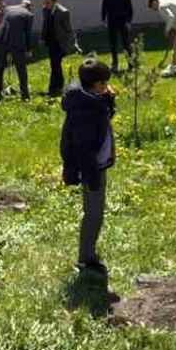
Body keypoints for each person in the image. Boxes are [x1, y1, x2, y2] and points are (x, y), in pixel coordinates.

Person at [60, 58, 117, 275]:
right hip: (92, 168)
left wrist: (109, 98)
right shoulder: (85, 111)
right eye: (104, 83)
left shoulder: (93, 99)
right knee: (94, 214)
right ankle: (86, 259)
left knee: (93, 212)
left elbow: (107, 113)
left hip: (97, 165)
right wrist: (91, 176)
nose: (107, 86)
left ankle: (88, 252)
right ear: (95, 84)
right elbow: (83, 149)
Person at [0, 0, 34, 102]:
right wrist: (28, 49)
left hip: (1, 39)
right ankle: (25, 95)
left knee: (0, 67)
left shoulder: (8, 9)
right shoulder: (28, 14)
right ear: (29, 7)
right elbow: (28, 34)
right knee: (21, 69)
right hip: (16, 42)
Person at [42, 0, 78, 97]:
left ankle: (54, 88)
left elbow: (68, 29)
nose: (46, 4)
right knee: (54, 65)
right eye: (45, 2)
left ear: (54, 2)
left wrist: (72, 43)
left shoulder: (63, 12)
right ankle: (57, 86)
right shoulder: (45, 10)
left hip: (59, 42)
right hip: (50, 41)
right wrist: (43, 37)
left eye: (48, 2)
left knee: (55, 64)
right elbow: (45, 24)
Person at [101, 0, 134, 73]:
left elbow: (130, 9)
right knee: (113, 44)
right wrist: (104, 20)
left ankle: (130, 64)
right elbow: (104, 8)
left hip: (123, 21)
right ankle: (115, 63)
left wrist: (129, 21)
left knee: (126, 43)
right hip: (111, 21)